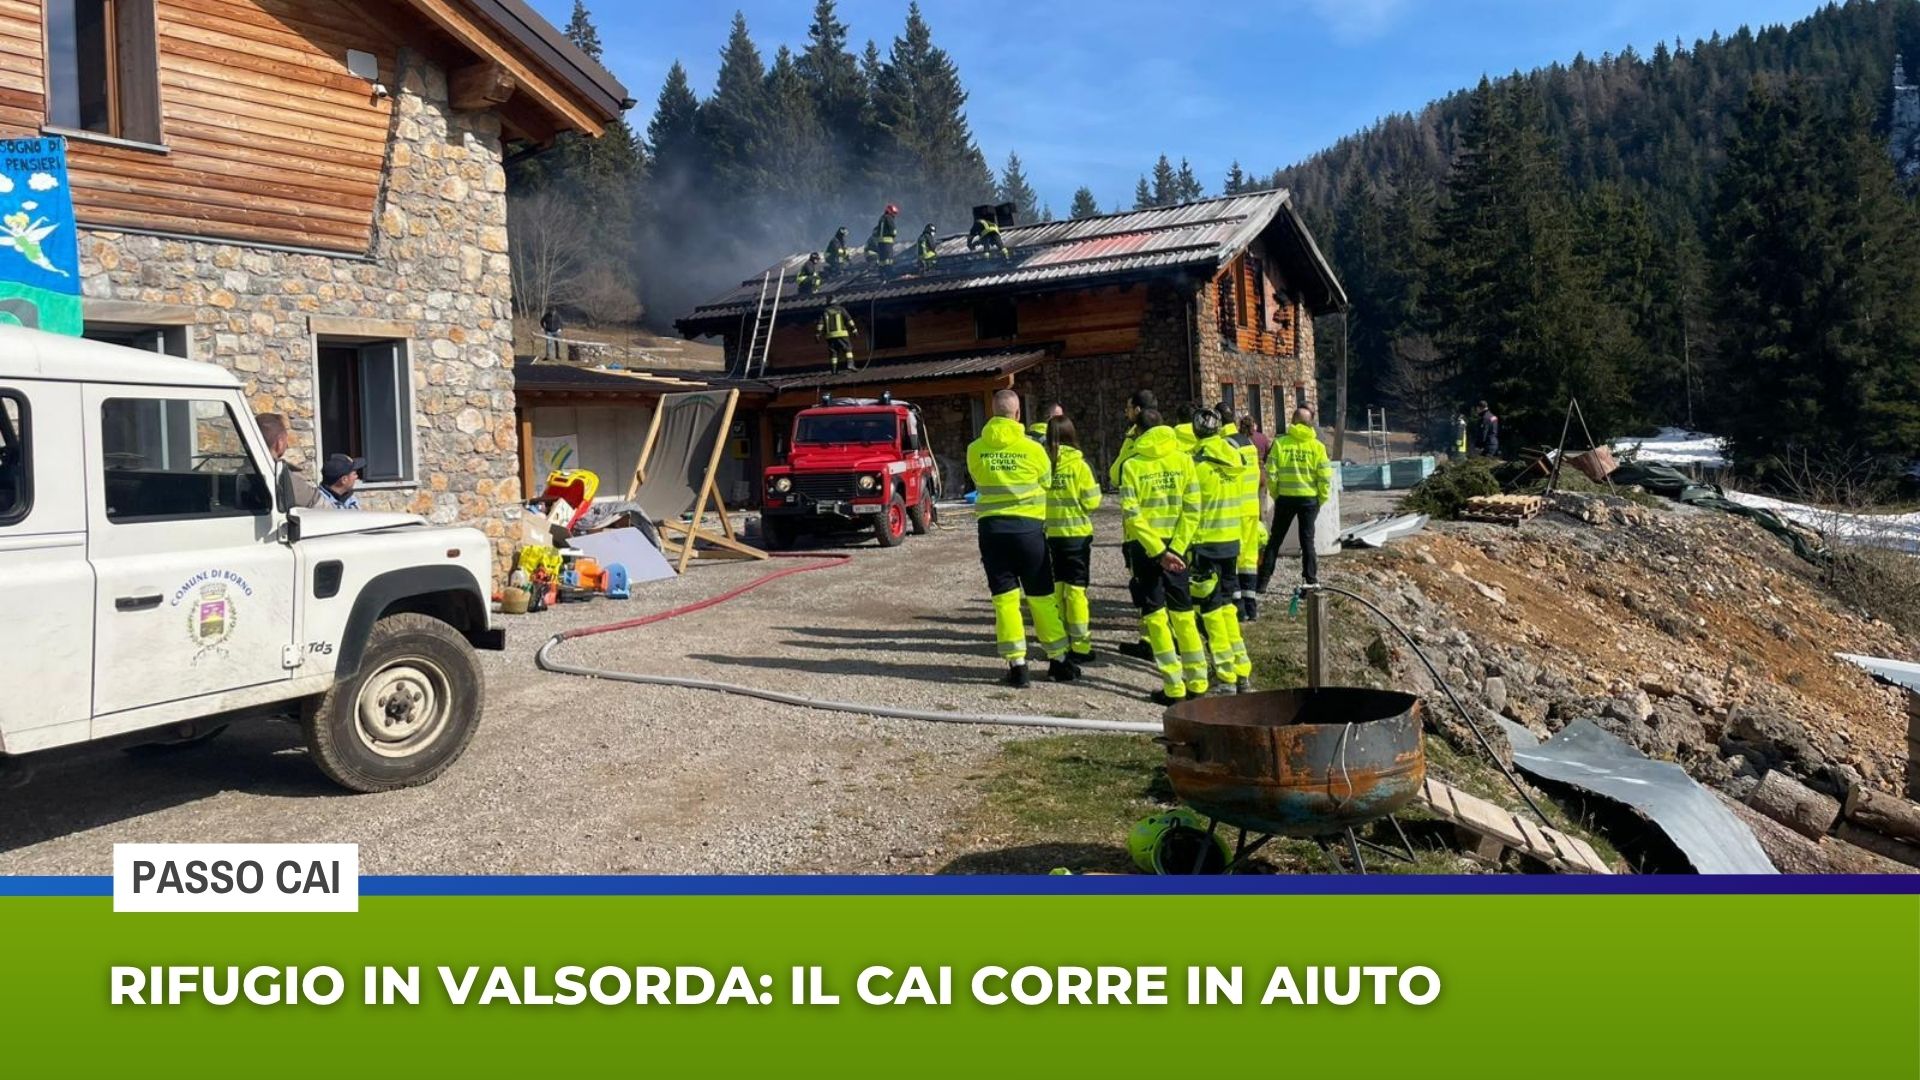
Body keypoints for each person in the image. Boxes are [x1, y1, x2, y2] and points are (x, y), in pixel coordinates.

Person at [967, 390, 1074, 687]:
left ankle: (1017, 666)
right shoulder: (1034, 450)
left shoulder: (975, 449)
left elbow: (978, 480)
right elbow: (1046, 482)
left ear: (992, 412)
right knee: (1041, 597)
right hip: (1029, 532)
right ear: (1017, 415)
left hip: (992, 533)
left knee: (1005, 601)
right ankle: (1058, 659)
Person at [1118, 408, 1203, 704]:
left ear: (1138, 432)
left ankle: (1173, 686)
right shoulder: (1184, 460)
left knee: (1155, 617)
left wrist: (1158, 551)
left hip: (1146, 549)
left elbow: (1132, 514)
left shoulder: (1132, 465)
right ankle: (1199, 681)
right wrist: (1176, 548)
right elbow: (1193, 509)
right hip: (1178, 549)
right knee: (1184, 614)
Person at [1189, 407, 1253, 694]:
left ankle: (1225, 676)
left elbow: (1189, 508)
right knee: (1227, 606)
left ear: (1195, 432)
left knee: (1210, 610)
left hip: (1206, 545)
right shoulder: (1235, 459)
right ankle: (1242, 671)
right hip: (1232, 542)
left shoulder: (1197, 464)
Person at [1044, 414, 1102, 666]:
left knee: (1057, 589)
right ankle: (1080, 645)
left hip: (1052, 536)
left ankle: (1060, 639)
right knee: (1076, 591)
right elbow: (1092, 501)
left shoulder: (1045, 464)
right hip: (1077, 537)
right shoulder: (1080, 466)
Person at [1258, 406, 1332, 592]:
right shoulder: (1317, 447)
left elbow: (1270, 472)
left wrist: (1277, 493)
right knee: (1307, 541)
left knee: (1275, 540)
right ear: (1310, 424)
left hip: (1285, 498)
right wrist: (1320, 499)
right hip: (1309, 500)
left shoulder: (1281, 443)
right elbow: (1324, 477)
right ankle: (1310, 581)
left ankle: (1263, 582)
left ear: (1292, 420)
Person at [1225, 409, 1266, 623]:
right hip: (1251, 509)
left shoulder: (1228, 444)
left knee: (1233, 558)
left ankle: (1238, 607)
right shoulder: (1249, 446)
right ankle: (1251, 606)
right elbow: (1259, 478)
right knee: (1249, 559)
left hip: (1235, 510)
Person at [255, 412, 314, 510]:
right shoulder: (286, 479)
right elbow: (324, 508)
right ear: (280, 443)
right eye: (286, 440)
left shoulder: (241, 474)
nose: (287, 445)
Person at [816, 294, 858, 373]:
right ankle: (850, 364)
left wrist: (818, 334)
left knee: (833, 352)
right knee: (848, 348)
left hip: (830, 336)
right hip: (842, 334)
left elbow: (820, 324)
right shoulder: (841, 309)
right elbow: (849, 320)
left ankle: (834, 370)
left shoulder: (825, 311)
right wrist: (854, 330)